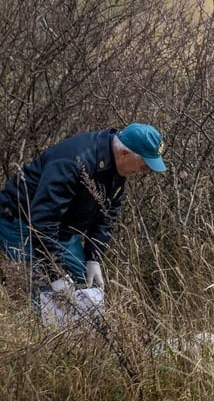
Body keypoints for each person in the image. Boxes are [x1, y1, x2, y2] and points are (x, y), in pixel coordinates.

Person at [0, 123, 168, 305]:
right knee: (45, 294)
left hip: (63, 228)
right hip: (22, 223)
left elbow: (108, 212)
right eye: (144, 165)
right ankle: (40, 325)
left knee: (83, 287)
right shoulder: (73, 162)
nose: (145, 172)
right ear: (124, 153)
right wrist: (56, 274)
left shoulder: (119, 166)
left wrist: (93, 258)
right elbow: (43, 221)